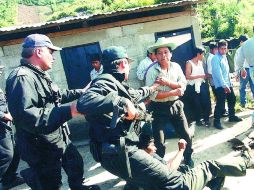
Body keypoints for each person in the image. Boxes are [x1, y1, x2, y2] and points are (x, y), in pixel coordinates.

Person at [5, 34, 100, 190]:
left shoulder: (39, 74)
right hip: (40, 146)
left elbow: (56, 95)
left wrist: (80, 92)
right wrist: (70, 110)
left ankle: (78, 186)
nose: (54, 57)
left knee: (75, 163)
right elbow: (27, 116)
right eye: (51, 52)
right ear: (39, 52)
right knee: (49, 182)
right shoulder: (21, 78)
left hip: (57, 138)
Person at [145, 37, 193, 166]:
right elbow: (153, 95)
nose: (163, 56)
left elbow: (183, 84)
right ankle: (160, 166)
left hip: (176, 105)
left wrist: (168, 83)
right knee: (159, 142)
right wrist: (174, 91)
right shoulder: (151, 71)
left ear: (170, 54)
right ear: (155, 56)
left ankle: (188, 158)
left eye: (166, 52)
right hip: (158, 108)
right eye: (159, 53)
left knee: (186, 135)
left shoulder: (176, 67)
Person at [0, 66, 25, 190]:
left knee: (16, 151)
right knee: (6, 155)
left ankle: (9, 179)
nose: (0, 72)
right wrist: (4, 115)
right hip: (2, 125)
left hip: (6, 126)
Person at [211, 40, 242, 130]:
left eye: (225, 48)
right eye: (222, 49)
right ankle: (216, 121)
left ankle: (232, 116)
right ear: (218, 48)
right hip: (221, 85)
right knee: (220, 104)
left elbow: (226, 72)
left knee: (232, 99)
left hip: (228, 83)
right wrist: (224, 86)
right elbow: (218, 74)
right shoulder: (215, 58)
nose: (224, 50)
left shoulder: (224, 57)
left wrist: (230, 82)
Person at [185, 46, 211, 127]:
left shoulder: (200, 62)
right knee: (197, 104)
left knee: (206, 102)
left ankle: (206, 119)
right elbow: (187, 76)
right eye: (202, 54)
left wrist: (204, 76)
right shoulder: (189, 63)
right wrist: (200, 75)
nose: (203, 56)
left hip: (201, 84)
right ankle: (198, 120)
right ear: (198, 54)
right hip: (193, 86)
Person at [234, 34, 254, 108]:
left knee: (242, 87)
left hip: (244, 70)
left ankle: (243, 103)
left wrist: (238, 72)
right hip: (249, 69)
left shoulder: (241, 48)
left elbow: (237, 62)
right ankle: (243, 103)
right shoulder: (250, 45)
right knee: (252, 87)